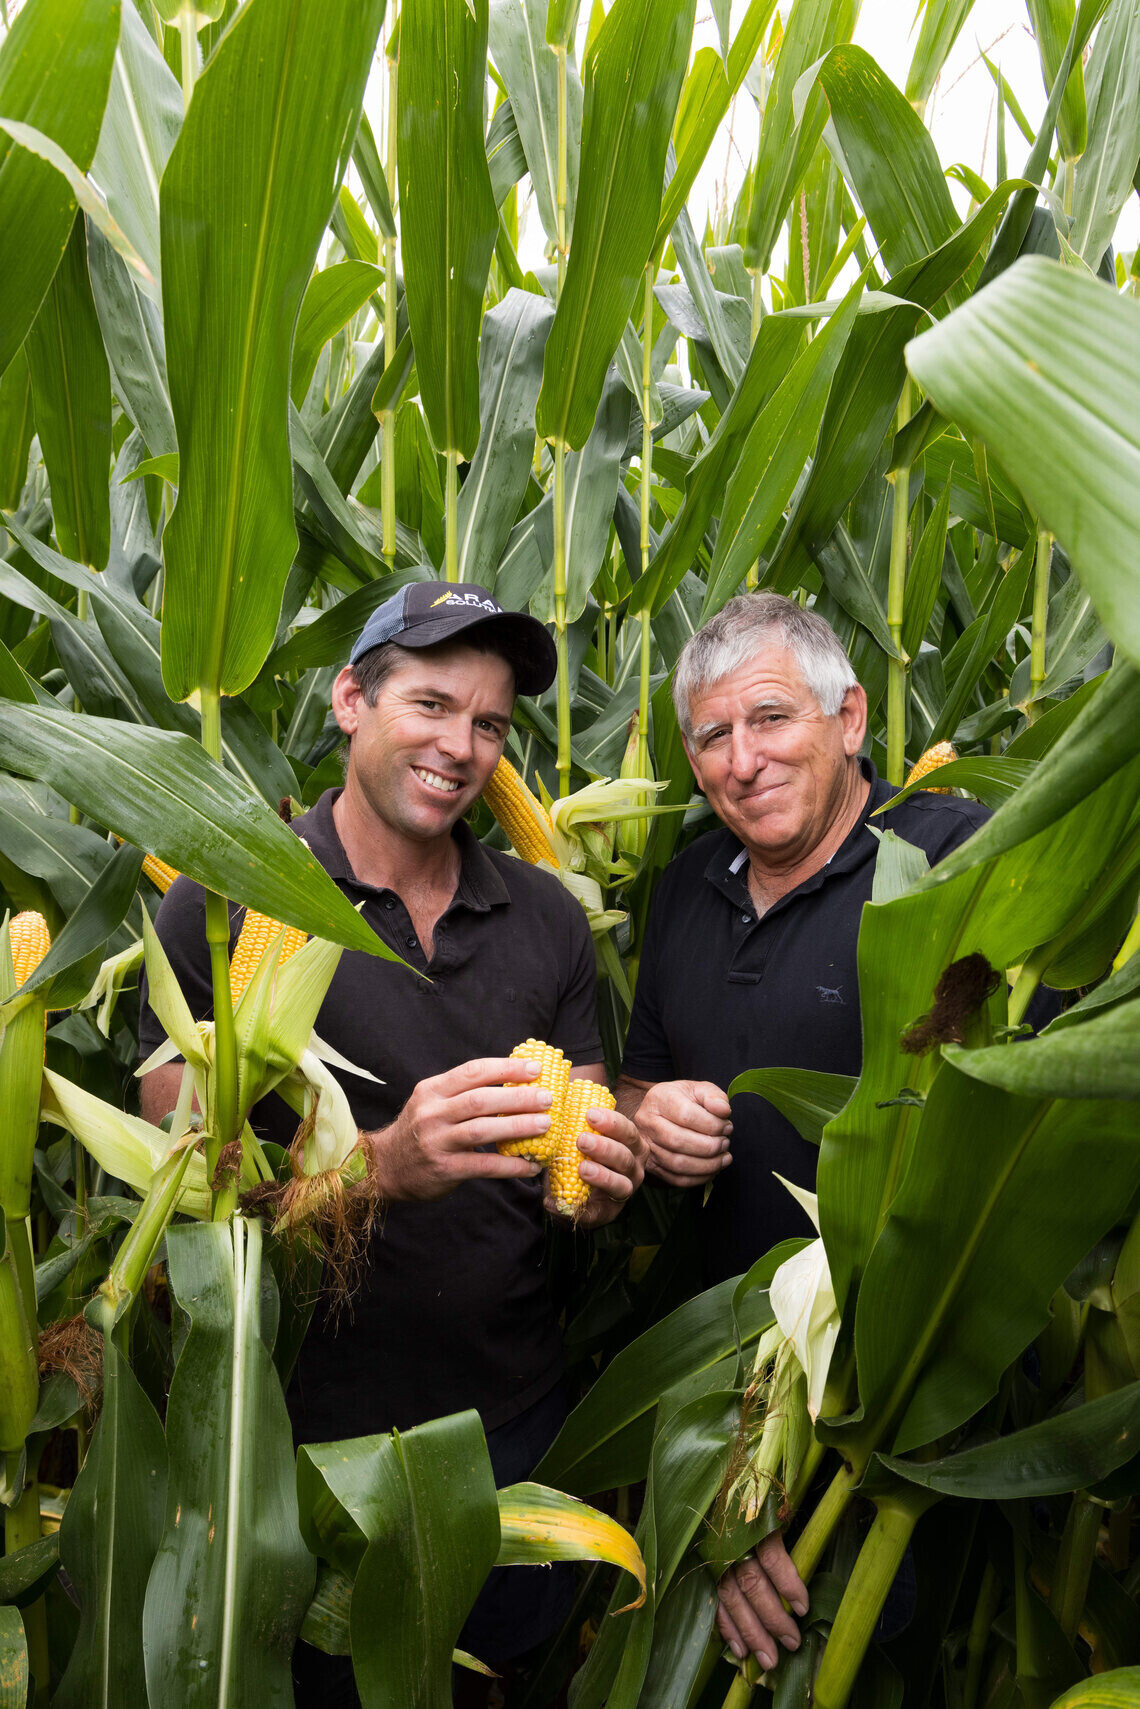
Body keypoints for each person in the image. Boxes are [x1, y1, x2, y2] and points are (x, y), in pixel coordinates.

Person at [138, 580, 647, 1706]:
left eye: (490, 724)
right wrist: (383, 1164)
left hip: (506, 1430)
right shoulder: (227, 902)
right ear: (350, 699)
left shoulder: (548, 917)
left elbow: (588, 1135)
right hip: (296, 1450)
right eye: (429, 704)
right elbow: (170, 1184)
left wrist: (597, 1181)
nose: (460, 747)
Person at [615, 590, 997, 1674]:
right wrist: (654, 1121)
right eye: (713, 735)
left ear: (850, 719)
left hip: (908, 1391)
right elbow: (638, 1086)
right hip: (731, 1378)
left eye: (771, 717)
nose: (743, 759)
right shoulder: (684, 889)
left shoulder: (949, 861)